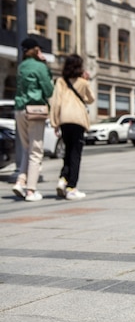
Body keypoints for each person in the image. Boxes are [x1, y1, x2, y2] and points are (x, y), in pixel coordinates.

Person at [11, 38, 54, 202]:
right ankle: (31, 190)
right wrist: (45, 64)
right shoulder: (40, 66)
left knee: (28, 150)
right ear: (36, 50)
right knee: (36, 151)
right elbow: (49, 90)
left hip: (19, 110)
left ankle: (20, 181)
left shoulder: (21, 66)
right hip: (35, 110)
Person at [49, 54, 95, 200]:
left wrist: (54, 122)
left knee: (68, 151)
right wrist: (86, 81)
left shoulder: (60, 81)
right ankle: (71, 188)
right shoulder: (83, 82)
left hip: (64, 119)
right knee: (75, 154)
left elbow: (55, 102)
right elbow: (91, 99)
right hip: (78, 120)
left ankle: (63, 179)